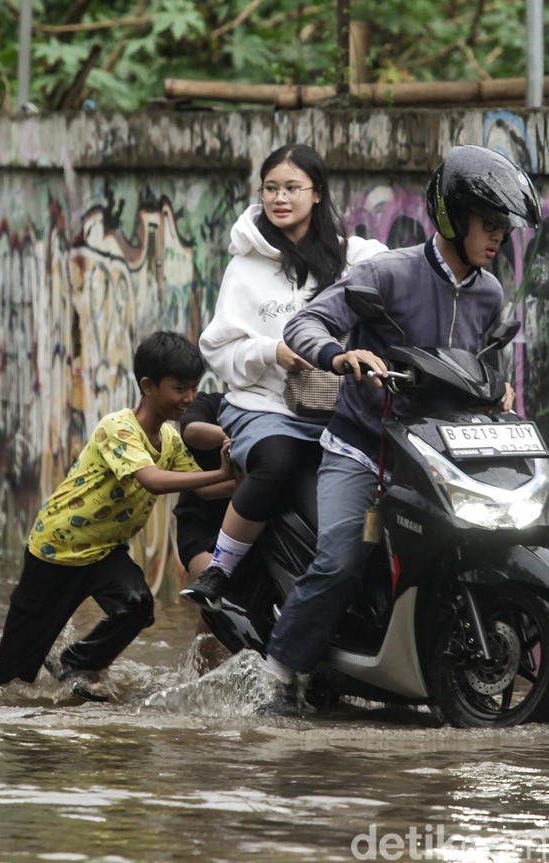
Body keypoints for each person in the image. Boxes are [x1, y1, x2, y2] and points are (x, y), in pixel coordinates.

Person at [262, 144, 541, 715]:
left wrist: (503, 390)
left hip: (436, 454)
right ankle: (281, 674)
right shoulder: (386, 273)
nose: (497, 239)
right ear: (452, 218)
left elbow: (485, 365)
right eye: (488, 225)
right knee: (341, 557)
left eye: (502, 229)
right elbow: (307, 323)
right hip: (363, 449)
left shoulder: (488, 291)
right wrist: (341, 357)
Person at [180, 143, 386, 611]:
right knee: (277, 461)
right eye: (271, 188)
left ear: (317, 194)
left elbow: (406, 283)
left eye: (292, 188)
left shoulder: (355, 258)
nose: (280, 198)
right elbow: (218, 347)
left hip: (340, 409)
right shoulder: (245, 267)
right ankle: (220, 568)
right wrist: (273, 351)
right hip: (264, 407)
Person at [0, 331, 233, 701]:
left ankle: (76, 662)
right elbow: (152, 480)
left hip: (104, 550)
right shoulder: (119, 427)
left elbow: (205, 490)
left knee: (136, 606)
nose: (190, 399)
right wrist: (224, 474)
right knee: (10, 679)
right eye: (180, 388)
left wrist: (249, 483)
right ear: (148, 386)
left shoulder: (171, 440)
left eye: (194, 388)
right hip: (56, 550)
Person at [174, 391, 238, 672]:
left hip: (258, 533)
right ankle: (199, 677)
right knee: (220, 599)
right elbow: (191, 430)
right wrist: (238, 434)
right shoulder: (212, 404)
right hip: (202, 528)